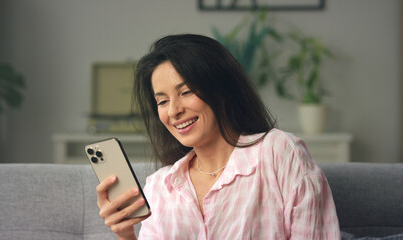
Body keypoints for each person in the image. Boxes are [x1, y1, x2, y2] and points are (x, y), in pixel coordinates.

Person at [96, 34, 340, 240]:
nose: (173, 111)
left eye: (186, 91)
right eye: (162, 101)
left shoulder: (278, 152)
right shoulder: (161, 186)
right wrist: (127, 237)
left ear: (221, 89)